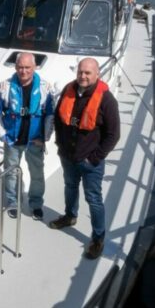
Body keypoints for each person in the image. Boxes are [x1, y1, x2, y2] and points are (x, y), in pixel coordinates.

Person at [49, 58, 120, 260]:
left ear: (97, 74)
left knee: (94, 199)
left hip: (90, 162)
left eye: (88, 73)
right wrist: (60, 145)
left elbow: (113, 135)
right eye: (81, 72)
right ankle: (70, 216)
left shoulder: (107, 100)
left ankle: (98, 237)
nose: (83, 76)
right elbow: (58, 118)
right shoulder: (68, 90)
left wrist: (94, 158)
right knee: (70, 187)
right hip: (68, 156)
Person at [0, 52, 54, 220]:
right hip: (13, 140)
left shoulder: (45, 88)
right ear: (15, 67)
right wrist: (3, 136)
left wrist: (45, 137)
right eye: (20, 67)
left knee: (37, 174)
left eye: (27, 67)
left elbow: (49, 115)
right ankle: (12, 201)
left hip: (35, 141)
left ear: (34, 67)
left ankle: (36, 203)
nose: (23, 71)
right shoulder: (5, 87)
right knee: (11, 173)